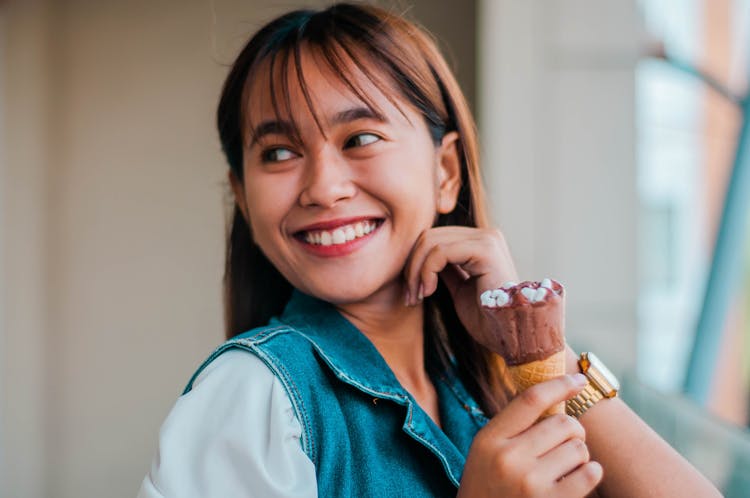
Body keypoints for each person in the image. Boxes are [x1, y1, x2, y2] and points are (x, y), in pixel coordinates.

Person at [138, 3, 722, 497]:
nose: (322, 187)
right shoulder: (253, 398)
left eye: (359, 138)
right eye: (278, 153)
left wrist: (530, 345)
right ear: (243, 195)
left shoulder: (474, 391)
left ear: (446, 172)